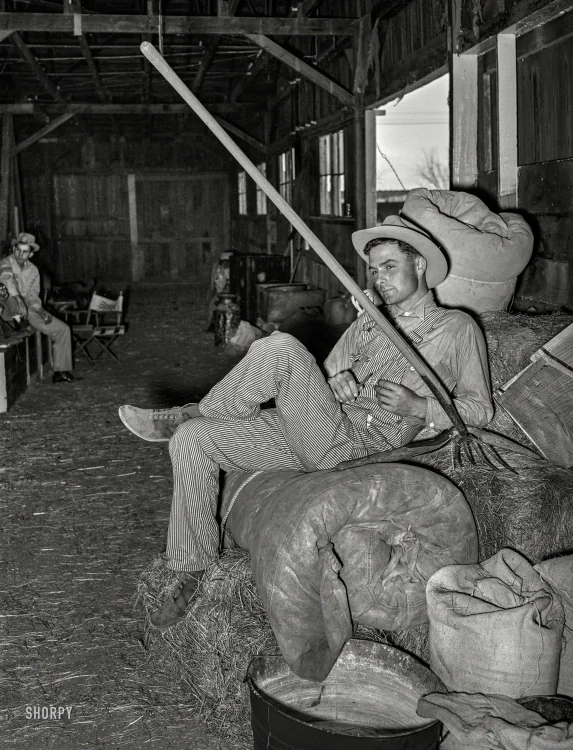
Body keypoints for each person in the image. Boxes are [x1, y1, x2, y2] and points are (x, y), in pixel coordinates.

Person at [119, 216, 494, 628]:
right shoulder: (369, 322)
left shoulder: (456, 329)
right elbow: (327, 378)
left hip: (361, 448)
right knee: (193, 441)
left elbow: (480, 410)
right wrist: (339, 383)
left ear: (420, 264)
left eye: (390, 266)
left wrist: (420, 408)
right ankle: (192, 569)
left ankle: (195, 409)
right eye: (374, 269)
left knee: (281, 346)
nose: (380, 278)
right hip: (321, 429)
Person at [0, 232, 79, 383]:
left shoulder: (33, 270)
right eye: (18, 250)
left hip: (26, 309)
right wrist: (18, 299)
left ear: (30, 254)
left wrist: (41, 311)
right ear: (14, 248)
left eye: (25, 251)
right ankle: (15, 326)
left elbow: (33, 295)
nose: (20, 254)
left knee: (63, 329)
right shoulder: (5, 263)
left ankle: (61, 372)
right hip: (6, 304)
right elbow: (7, 279)